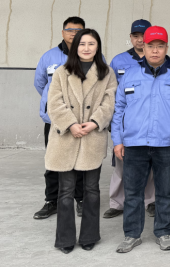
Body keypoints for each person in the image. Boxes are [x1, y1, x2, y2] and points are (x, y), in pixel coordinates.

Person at [112, 26, 170, 253]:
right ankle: (132, 235)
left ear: (167, 47)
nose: (155, 51)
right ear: (143, 47)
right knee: (132, 192)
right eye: (150, 46)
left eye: (160, 46)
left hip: (167, 143)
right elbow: (118, 110)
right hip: (134, 143)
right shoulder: (130, 74)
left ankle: (163, 232)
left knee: (165, 192)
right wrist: (117, 140)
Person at [45, 29, 117, 253]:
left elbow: (109, 102)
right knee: (66, 191)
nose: (86, 48)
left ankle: (89, 235)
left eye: (91, 44)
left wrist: (95, 122)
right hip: (66, 137)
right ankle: (65, 239)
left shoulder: (107, 73)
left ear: (98, 47)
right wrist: (71, 124)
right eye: (82, 44)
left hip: (92, 137)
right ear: (75, 47)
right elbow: (54, 103)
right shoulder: (62, 72)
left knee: (91, 190)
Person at [33, 16, 85, 220]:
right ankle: (51, 201)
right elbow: (40, 84)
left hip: (81, 120)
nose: (74, 33)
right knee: (53, 161)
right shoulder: (49, 57)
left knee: (81, 161)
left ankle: (81, 199)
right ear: (63, 33)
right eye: (70, 30)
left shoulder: (93, 56)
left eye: (78, 30)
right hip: (55, 121)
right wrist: (53, 106)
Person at [106, 19, 155, 219]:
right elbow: (109, 92)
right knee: (122, 162)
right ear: (131, 37)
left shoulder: (157, 59)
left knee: (150, 164)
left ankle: (150, 201)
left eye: (144, 36)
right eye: (136, 36)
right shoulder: (119, 61)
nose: (140, 40)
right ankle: (117, 203)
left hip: (151, 120)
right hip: (126, 122)